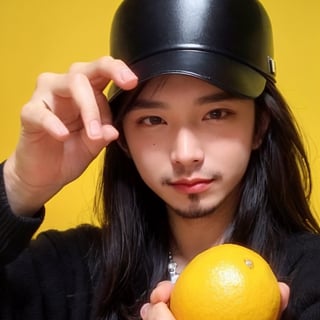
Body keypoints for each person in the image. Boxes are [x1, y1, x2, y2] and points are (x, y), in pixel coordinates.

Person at [1, 0, 320, 319]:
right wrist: (20, 184)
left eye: (216, 114)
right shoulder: (67, 271)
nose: (185, 155)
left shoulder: (310, 277)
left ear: (259, 125)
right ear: (121, 134)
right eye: (153, 120)